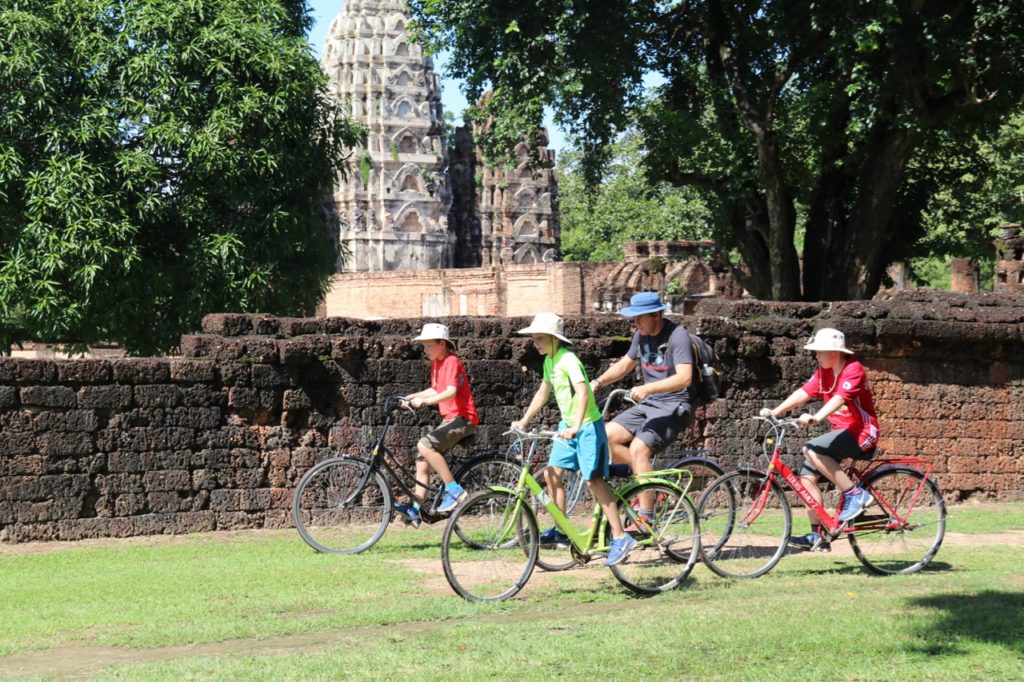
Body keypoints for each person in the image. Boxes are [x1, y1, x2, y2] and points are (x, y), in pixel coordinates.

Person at [511, 312, 637, 566]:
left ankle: (621, 537)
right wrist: (523, 421)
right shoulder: (549, 362)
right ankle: (562, 531)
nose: (535, 343)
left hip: (588, 427)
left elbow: (582, 393)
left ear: (554, 339)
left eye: (539, 338)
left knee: (593, 481)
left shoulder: (568, 360)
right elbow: (543, 392)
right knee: (551, 474)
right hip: (567, 426)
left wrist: (577, 426)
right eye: (534, 338)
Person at [761, 327, 879, 552]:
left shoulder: (853, 370)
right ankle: (818, 536)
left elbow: (839, 399)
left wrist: (816, 417)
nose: (816, 356)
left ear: (834, 352)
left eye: (819, 352)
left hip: (863, 431)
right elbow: (804, 392)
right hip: (841, 432)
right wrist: (776, 412)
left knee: (812, 449)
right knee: (806, 478)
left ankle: (855, 494)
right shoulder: (824, 372)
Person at [589, 291, 694, 529]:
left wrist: (648, 388)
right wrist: (598, 382)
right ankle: (650, 485)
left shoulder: (678, 336)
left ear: (657, 314)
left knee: (638, 449)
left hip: (675, 404)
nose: (634, 323)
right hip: (649, 404)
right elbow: (626, 364)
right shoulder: (641, 334)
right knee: (605, 437)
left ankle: (646, 516)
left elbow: (685, 378)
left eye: (639, 317)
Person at [394, 323, 479, 527]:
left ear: (442, 344)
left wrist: (424, 402)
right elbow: (435, 389)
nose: (425, 350)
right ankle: (415, 509)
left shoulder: (451, 361)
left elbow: (450, 392)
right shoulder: (437, 363)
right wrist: (411, 397)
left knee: (425, 445)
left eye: (429, 346)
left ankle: (454, 490)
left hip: (463, 418)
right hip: (449, 419)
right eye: (424, 346)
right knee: (422, 461)